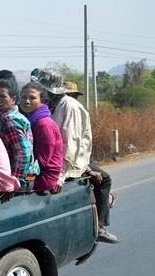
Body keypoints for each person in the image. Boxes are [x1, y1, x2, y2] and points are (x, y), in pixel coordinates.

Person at [31, 69, 120, 244]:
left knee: (105, 180)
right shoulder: (49, 105)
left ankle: (99, 226)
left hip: (71, 160)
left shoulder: (68, 106)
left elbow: (69, 145)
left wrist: (60, 176)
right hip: (53, 157)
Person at [65, 80, 119, 244]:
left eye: (74, 96)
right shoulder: (71, 111)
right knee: (105, 179)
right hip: (72, 162)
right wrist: (88, 169)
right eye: (71, 96)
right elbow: (71, 147)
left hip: (78, 159)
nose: (74, 99)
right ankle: (100, 227)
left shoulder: (64, 111)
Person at [0, 78, 38, 191]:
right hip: (28, 174)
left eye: (3, 97)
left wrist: (15, 183)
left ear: (13, 99)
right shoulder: (10, 116)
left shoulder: (10, 120)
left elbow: (23, 154)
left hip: (22, 179)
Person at [19, 81, 63, 191]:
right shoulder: (31, 120)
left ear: (42, 101)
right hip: (37, 172)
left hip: (43, 177)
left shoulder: (43, 125)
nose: (27, 101)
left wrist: (26, 180)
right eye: (24, 97)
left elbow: (42, 161)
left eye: (32, 98)